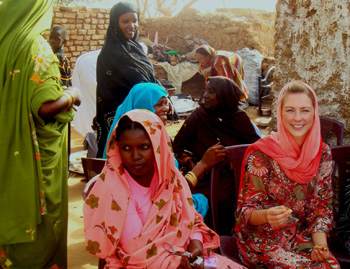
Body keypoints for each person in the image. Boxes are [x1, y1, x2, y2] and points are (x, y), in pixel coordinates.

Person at [83, 109, 245, 268]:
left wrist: (195, 246)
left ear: (157, 146)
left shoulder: (170, 178)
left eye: (144, 147)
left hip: (180, 257)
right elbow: (138, 251)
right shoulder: (115, 192)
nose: (135, 156)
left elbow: (191, 220)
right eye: (126, 148)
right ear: (117, 148)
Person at [0, 0, 82, 268]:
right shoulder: (36, 49)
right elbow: (46, 107)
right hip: (30, 153)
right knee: (39, 219)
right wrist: (71, 95)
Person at [234, 81, 340, 268]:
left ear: (314, 113)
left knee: (329, 266)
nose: (297, 118)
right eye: (290, 110)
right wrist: (267, 215)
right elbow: (245, 212)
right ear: (280, 113)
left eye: (305, 110)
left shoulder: (322, 152)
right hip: (262, 237)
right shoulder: (261, 153)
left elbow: (320, 209)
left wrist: (321, 249)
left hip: (301, 234)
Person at [173, 76, 260, 235]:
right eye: (205, 90)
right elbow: (177, 147)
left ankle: (224, 236)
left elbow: (257, 151)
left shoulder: (239, 119)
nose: (205, 95)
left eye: (211, 92)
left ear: (225, 96)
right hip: (202, 174)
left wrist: (233, 162)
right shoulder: (198, 116)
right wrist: (192, 161)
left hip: (232, 175)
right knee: (188, 199)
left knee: (224, 198)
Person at [96, 1, 159, 157]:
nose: (132, 25)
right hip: (122, 119)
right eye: (125, 21)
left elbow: (149, 78)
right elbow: (109, 95)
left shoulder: (136, 49)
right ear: (115, 23)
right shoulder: (109, 55)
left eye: (135, 21)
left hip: (146, 114)